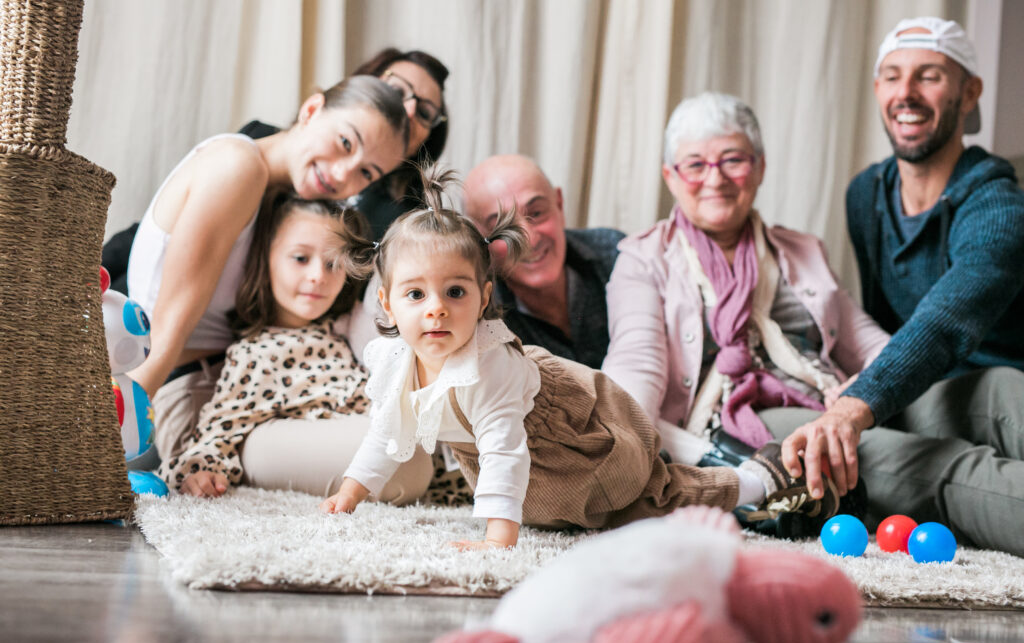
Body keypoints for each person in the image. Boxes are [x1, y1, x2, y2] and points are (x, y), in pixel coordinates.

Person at [319, 170, 801, 549]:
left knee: (652, 496)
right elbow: (387, 430)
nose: (437, 308)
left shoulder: (488, 366)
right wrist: (351, 492)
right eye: (416, 294)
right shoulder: (395, 360)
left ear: (485, 298)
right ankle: (741, 480)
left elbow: (504, 450)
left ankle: (757, 480)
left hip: (581, 432)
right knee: (579, 515)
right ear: (386, 303)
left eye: (455, 291)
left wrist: (497, 538)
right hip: (536, 478)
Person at [776, 18, 1024, 555]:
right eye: (891, 76)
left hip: (1002, 395)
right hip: (917, 396)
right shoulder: (865, 194)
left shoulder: (998, 206)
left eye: (928, 75)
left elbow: (943, 321)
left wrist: (854, 404)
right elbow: (886, 325)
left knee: (1006, 389)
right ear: (877, 90)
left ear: (969, 91)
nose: (905, 93)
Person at [603, 92, 895, 534]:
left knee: (992, 393)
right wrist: (622, 456)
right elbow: (635, 365)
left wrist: (865, 395)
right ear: (671, 176)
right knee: (932, 461)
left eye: (732, 160)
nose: (714, 179)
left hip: (837, 400)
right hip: (748, 417)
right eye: (696, 164)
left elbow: (874, 346)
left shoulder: (803, 250)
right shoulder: (643, 259)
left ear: (759, 167)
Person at [126, 75, 409, 466]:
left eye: (366, 173)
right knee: (400, 455)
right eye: (346, 143)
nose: (344, 174)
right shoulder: (237, 166)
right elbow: (165, 336)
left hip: (251, 390)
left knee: (406, 434)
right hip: (196, 394)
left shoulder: (280, 196)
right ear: (311, 110)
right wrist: (106, 444)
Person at [103, 48, 450, 294]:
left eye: (424, 112)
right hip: (143, 303)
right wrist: (93, 274)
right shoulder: (258, 146)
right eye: (396, 89)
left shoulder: (408, 217)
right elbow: (165, 219)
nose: (406, 108)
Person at [156, 195, 426, 501]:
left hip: (356, 428)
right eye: (300, 259)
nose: (317, 276)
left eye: (333, 263)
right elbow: (222, 424)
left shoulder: (347, 333)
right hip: (291, 440)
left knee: (411, 439)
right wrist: (203, 468)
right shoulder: (257, 351)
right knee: (400, 454)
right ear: (267, 257)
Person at [463, 155, 624, 369]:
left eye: (537, 213)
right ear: (479, 240)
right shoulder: (480, 317)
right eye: (503, 227)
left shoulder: (616, 254)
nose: (528, 239)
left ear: (559, 204)